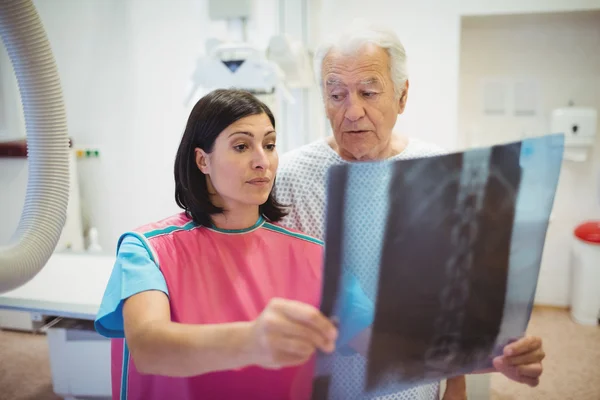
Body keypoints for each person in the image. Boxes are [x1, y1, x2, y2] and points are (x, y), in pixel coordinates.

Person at [273, 23, 546, 400]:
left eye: (369, 92)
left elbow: (452, 300)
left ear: (402, 96)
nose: (352, 112)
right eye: (336, 94)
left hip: (415, 387)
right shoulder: (290, 177)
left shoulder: (436, 171)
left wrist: (456, 385)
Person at [94, 89, 374, 400]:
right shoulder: (148, 251)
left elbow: (377, 341)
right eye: (241, 146)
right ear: (202, 160)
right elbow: (148, 347)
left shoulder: (314, 254)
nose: (261, 161)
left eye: (269, 145)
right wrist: (252, 341)